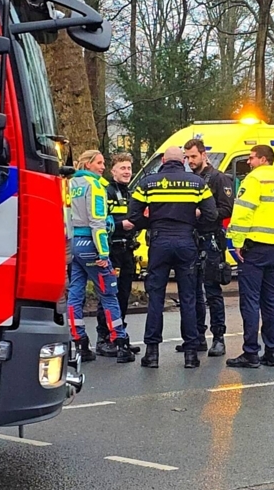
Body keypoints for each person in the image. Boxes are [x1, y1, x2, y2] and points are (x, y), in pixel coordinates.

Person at [129, 146, 217, 368]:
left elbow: (133, 215)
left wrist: (152, 223)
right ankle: (191, 354)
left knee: (156, 298)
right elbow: (211, 214)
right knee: (188, 298)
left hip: (159, 242)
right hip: (187, 242)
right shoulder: (197, 183)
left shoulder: (148, 183)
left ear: (163, 160)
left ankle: (152, 354)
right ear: (183, 161)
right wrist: (192, 224)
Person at [226, 145, 274, 369]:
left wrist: (236, 242)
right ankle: (272, 352)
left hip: (255, 247)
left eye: (251, 158)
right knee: (270, 301)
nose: (249, 162)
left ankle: (250, 353)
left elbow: (243, 212)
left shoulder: (254, 180)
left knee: (250, 300)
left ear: (264, 159)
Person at [66, 150, 127, 363]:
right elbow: (97, 222)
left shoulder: (69, 184)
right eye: (99, 163)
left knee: (75, 294)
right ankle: (120, 342)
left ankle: (79, 342)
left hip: (74, 244)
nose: (102, 167)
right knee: (109, 293)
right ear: (88, 164)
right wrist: (103, 252)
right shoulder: (95, 186)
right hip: (91, 244)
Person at [180, 138, 235, 358]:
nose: (190, 161)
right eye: (187, 157)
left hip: (211, 239)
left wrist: (203, 213)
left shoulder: (219, 178)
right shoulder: (190, 179)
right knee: (193, 290)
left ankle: (219, 338)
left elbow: (227, 208)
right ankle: (198, 337)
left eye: (193, 156)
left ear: (204, 155)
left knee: (212, 290)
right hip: (191, 239)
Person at [95, 153, 140, 362]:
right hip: (112, 249)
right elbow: (100, 219)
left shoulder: (130, 192)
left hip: (127, 250)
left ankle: (119, 335)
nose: (127, 172)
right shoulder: (107, 191)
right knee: (108, 294)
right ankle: (103, 338)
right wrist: (122, 225)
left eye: (129, 168)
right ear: (112, 170)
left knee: (123, 294)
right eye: (122, 168)